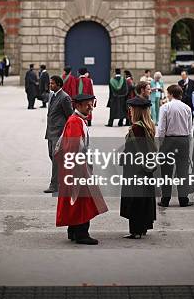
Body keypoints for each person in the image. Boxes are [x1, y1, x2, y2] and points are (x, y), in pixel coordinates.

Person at [55, 93, 108, 244]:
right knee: (82, 201)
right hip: (77, 168)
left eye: (92, 104)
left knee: (75, 201)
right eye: (87, 104)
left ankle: (73, 231)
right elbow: (73, 148)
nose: (91, 107)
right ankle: (81, 234)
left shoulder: (78, 120)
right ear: (77, 105)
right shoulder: (75, 122)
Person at [120, 96, 157, 239]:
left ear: (137, 111)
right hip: (145, 169)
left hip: (135, 169)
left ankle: (135, 230)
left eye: (131, 109)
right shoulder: (148, 125)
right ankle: (142, 228)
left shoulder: (136, 128)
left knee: (134, 199)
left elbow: (135, 150)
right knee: (144, 198)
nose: (129, 111)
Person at [157, 84, 194, 207]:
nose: (167, 95)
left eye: (168, 93)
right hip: (183, 140)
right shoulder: (187, 108)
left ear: (171, 94)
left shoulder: (165, 107)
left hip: (169, 141)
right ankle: (183, 199)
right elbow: (189, 130)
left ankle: (165, 199)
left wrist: (160, 143)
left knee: (166, 171)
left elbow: (161, 128)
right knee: (182, 171)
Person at [44, 75, 73, 193]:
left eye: (52, 84)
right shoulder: (52, 95)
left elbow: (70, 116)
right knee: (52, 156)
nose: (50, 85)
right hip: (50, 131)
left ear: (59, 85)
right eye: (50, 83)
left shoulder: (65, 97)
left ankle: (54, 184)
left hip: (59, 132)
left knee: (56, 158)